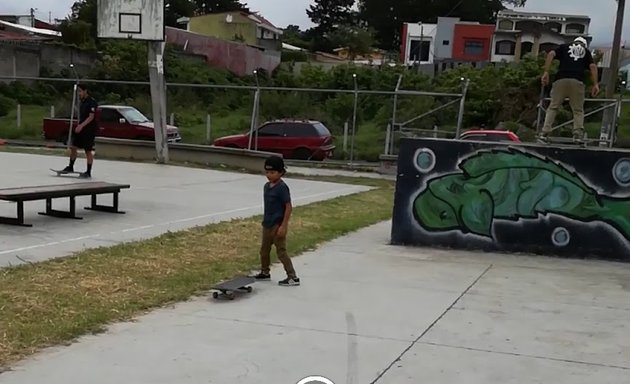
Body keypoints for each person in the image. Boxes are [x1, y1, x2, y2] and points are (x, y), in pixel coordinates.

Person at [539, 36, 600, 143]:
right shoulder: (586, 51)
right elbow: (593, 66)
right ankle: (577, 134)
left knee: (553, 106)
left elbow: (551, 54)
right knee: (578, 110)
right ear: (584, 45)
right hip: (577, 81)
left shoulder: (564, 47)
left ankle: (545, 132)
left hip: (561, 80)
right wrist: (595, 84)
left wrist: (546, 72)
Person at [251, 156, 300, 286]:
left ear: (281, 173)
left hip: (277, 225)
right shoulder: (267, 186)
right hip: (267, 224)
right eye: (267, 172)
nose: (269, 175)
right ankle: (265, 272)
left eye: (272, 173)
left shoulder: (282, 188)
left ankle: (292, 277)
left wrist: (283, 226)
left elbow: (288, 207)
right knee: (264, 251)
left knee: (281, 252)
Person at [61, 83, 98, 178]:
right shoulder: (83, 102)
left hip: (89, 129)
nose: (79, 93)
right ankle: (70, 166)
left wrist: (81, 126)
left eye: (80, 91)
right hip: (81, 128)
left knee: (88, 150)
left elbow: (91, 117)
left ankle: (88, 171)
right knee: (73, 147)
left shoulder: (91, 102)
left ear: (85, 91)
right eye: (78, 91)